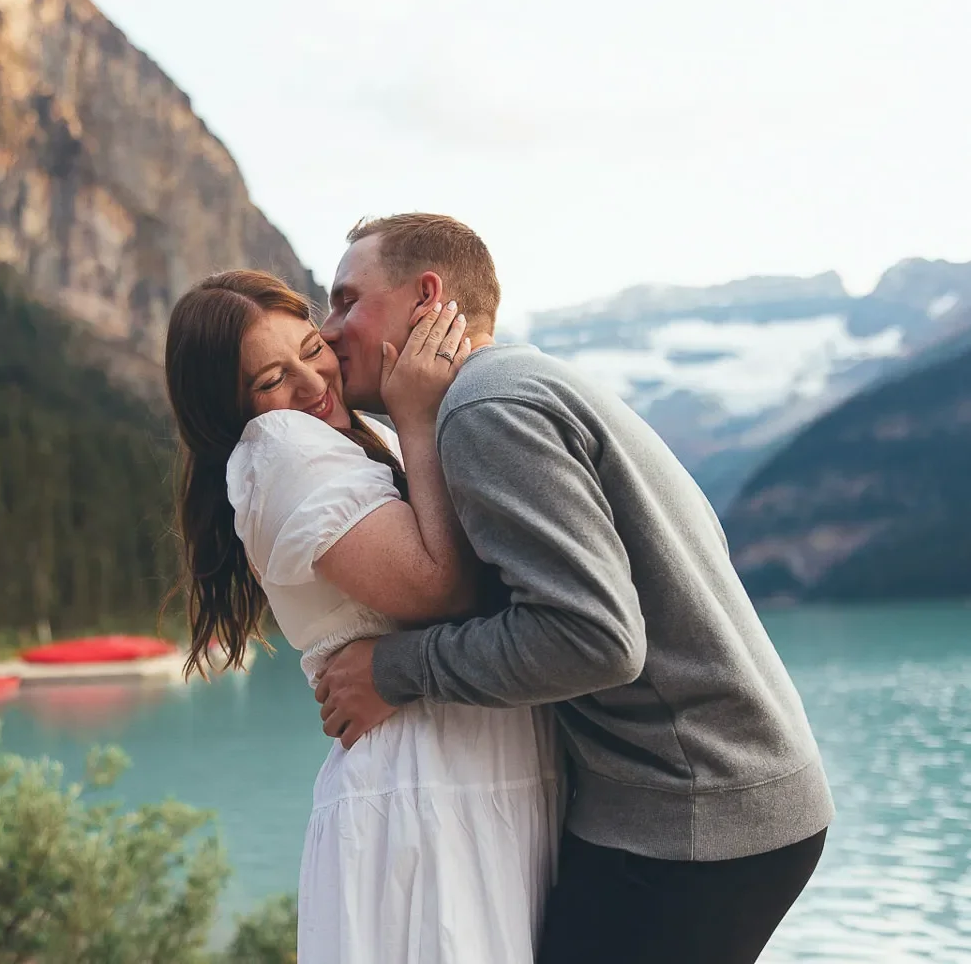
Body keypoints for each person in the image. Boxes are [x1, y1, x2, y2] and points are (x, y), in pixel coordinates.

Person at [313, 214, 835, 964]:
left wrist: (393, 669)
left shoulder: (486, 410)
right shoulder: (523, 383)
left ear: (427, 296)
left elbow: (595, 640)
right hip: (723, 796)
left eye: (347, 301)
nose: (328, 330)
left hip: (692, 817)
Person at [164, 270, 559, 964]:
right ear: (229, 411)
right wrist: (418, 415)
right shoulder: (282, 448)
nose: (311, 384)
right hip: (428, 792)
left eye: (310, 349)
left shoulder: (348, 439)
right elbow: (439, 588)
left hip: (471, 780)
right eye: (270, 380)